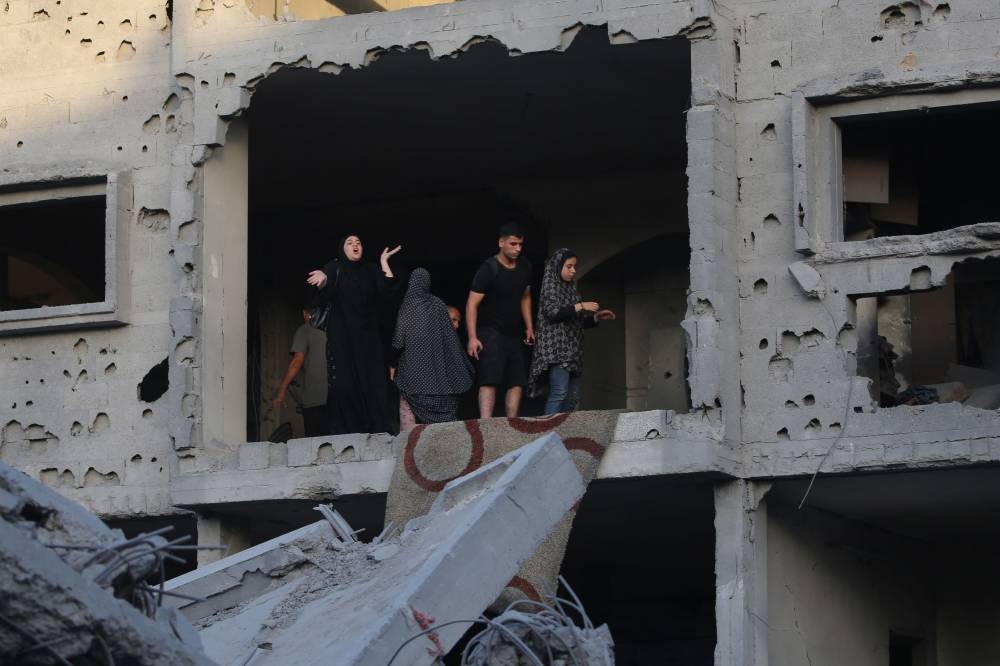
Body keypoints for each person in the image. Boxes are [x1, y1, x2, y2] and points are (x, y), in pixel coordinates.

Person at [306, 235, 402, 435]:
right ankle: (349, 432)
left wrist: (384, 262)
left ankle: (378, 430)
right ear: (342, 248)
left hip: (369, 339)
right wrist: (323, 280)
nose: (355, 245)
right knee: (345, 385)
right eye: (350, 243)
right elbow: (322, 291)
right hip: (342, 339)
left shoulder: (370, 270)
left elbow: (388, 290)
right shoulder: (335, 267)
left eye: (359, 242)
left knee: (374, 382)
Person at [528, 248, 616, 414]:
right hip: (556, 350)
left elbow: (577, 321)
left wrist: (596, 318)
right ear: (558, 267)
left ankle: (563, 431)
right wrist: (581, 306)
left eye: (574, 266)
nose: (573, 270)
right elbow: (553, 313)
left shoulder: (571, 291)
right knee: (559, 392)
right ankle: (549, 431)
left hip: (573, 351)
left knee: (573, 397)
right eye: (569, 266)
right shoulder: (551, 287)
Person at [466, 222, 534, 418]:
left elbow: (525, 296)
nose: (517, 249)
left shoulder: (525, 266)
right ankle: (486, 424)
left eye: (520, 244)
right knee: (490, 378)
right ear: (501, 242)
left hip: (514, 332)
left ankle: (512, 424)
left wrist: (529, 326)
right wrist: (472, 337)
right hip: (491, 331)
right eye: (513, 244)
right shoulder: (489, 269)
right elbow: (472, 304)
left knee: (517, 380)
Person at [393, 268, 474, 425]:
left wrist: (392, 363)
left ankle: (409, 443)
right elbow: (450, 339)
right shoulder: (438, 305)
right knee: (446, 429)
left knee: (406, 408)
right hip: (442, 388)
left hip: (413, 383)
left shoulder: (407, 306)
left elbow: (398, 342)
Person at [272, 305, 328, 436]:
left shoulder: (305, 330)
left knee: (316, 446)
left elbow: (297, 362)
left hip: (315, 400)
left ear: (305, 313)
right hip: (339, 398)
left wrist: (281, 390)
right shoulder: (336, 329)